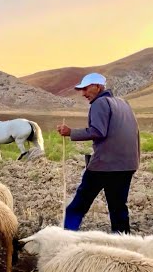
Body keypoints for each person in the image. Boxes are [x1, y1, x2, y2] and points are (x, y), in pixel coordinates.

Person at [56, 72, 140, 234]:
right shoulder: (123, 103)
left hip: (105, 165)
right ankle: (123, 244)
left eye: (86, 88)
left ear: (98, 87)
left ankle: (65, 236)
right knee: (118, 208)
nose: (83, 93)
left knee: (79, 204)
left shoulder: (99, 103)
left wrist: (70, 132)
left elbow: (98, 131)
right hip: (127, 165)